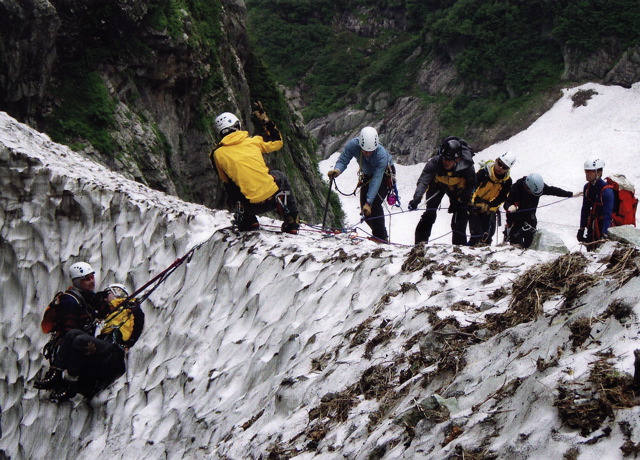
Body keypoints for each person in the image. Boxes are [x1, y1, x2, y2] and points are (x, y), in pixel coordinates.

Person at [210, 102, 300, 234]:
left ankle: (249, 221)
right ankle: (292, 220)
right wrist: (265, 119)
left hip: (249, 205)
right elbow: (277, 141)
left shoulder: (217, 154)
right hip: (273, 197)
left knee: (232, 186)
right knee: (279, 176)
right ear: (237, 126)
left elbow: (225, 181)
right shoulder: (253, 141)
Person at [35, 262, 109, 400]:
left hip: (79, 344)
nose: (92, 281)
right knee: (75, 337)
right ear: (77, 282)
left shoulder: (87, 298)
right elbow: (68, 332)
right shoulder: (70, 302)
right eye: (87, 279)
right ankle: (68, 384)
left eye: (92, 277)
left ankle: (59, 376)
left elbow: (100, 307)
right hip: (71, 348)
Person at [327, 126, 395, 242]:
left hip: (384, 174)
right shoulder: (353, 145)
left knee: (375, 204)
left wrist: (369, 202)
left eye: (370, 151)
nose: (367, 153)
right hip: (367, 174)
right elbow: (344, 159)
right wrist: (337, 170)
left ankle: (380, 237)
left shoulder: (381, 155)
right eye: (365, 151)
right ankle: (380, 235)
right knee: (365, 210)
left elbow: (377, 179)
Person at [408, 136, 476, 245]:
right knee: (430, 212)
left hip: (457, 189)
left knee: (460, 215)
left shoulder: (467, 167)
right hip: (437, 185)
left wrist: (464, 198)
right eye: (444, 158)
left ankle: (459, 247)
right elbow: (424, 181)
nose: (445, 162)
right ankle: (420, 244)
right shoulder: (435, 162)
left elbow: (471, 184)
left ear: (457, 159)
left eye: (449, 160)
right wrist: (417, 198)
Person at [503, 173, 575, 248]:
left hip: (530, 219)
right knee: (516, 246)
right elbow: (506, 203)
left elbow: (553, 190)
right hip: (516, 221)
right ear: (527, 187)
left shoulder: (538, 187)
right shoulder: (516, 188)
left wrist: (570, 194)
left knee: (530, 246)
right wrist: (510, 207)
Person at [468, 152, 515, 246]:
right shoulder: (484, 172)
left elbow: (502, 197)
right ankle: (471, 251)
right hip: (475, 206)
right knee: (476, 234)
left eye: (504, 167)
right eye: (500, 164)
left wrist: (489, 206)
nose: (500, 168)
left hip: (490, 209)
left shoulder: (507, 182)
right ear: (496, 161)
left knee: (488, 236)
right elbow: (472, 188)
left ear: (508, 169)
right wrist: (474, 203)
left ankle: (484, 255)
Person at [577, 158, 615, 248]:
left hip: (604, 226)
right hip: (592, 227)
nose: (587, 173)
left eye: (590, 171)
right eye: (586, 171)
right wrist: (581, 228)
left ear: (599, 173)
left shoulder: (607, 191)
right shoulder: (587, 188)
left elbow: (608, 214)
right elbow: (585, 208)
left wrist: (604, 234)